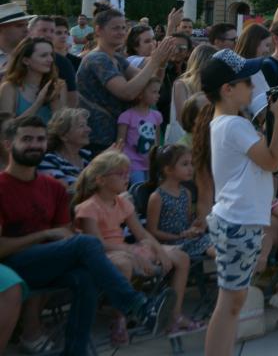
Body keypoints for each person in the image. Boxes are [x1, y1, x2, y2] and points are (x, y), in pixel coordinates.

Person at [0, 116, 163, 356]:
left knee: (85, 276)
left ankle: (76, 351)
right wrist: (45, 234)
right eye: (26, 139)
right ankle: (135, 304)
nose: (35, 145)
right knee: (87, 243)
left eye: (40, 139)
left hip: (49, 261)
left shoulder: (53, 187)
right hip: (13, 265)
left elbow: (65, 233)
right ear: (8, 145)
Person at [191, 49, 278, 356]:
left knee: (232, 303)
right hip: (238, 222)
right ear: (227, 89)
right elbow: (273, 161)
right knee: (230, 304)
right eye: (246, 81)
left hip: (235, 220)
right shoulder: (234, 125)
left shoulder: (228, 122)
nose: (252, 86)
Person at [72, 150, 201, 343]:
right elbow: (96, 244)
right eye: (121, 173)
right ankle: (119, 319)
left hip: (123, 248)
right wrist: (133, 253)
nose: (127, 177)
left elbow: (142, 233)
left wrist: (159, 251)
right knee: (125, 264)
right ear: (101, 180)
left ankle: (174, 316)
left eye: (128, 173)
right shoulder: (89, 207)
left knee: (181, 257)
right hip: (102, 254)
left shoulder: (122, 203)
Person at [77, 8, 177, 151]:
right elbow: (126, 92)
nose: (121, 32)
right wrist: (155, 61)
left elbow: (152, 85)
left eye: (123, 28)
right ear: (98, 30)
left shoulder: (116, 58)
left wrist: (161, 64)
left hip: (113, 139)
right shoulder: (97, 58)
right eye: (115, 28)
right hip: (97, 139)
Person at [144, 144, 211, 261]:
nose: (191, 168)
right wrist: (177, 236)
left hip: (187, 239)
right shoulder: (157, 197)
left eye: (191, 164)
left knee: (218, 240)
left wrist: (194, 227)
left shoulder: (186, 193)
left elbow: (187, 222)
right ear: (168, 169)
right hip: (171, 244)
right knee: (216, 247)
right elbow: (152, 231)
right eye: (185, 164)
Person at [0, 37, 67, 123]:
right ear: (26, 61)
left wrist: (55, 101)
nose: (50, 59)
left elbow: (63, 126)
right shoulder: (9, 88)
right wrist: (38, 103)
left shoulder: (58, 85)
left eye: (51, 55)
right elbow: (7, 128)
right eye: (43, 55)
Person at [167, 44, 217, 145]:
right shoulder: (181, 85)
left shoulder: (213, 86)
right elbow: (183, 119)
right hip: (183, 142)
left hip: (204, 141)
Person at [115, 82, 162, 184]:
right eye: (154, 92)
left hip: (150, 163)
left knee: (151, 187)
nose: (158, 95)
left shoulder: (156, 116)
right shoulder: (126, 116)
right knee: (138, 188)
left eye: (158, 92)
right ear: (140, 94)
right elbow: (120, 142)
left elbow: (157, 140)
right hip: (133, 163)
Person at [29, 16, 79, 107]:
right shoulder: (18, 56)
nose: (49, 35)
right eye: (44, 30)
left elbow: (72, 99)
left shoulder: (63, 62)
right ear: (30, 32)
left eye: (52, 31)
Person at [38, 107, 92, 190]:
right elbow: (64, 191)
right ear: (63, 136)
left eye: (86, 125)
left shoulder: (87, 158)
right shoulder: (49, 160)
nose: (88, 129)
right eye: (81, 126)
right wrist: (95, 170)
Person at [0, 3, 35, 73]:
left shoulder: (35, 53)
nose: (26, 30)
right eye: (19, 26)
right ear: (1, 29)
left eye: (26, 25)